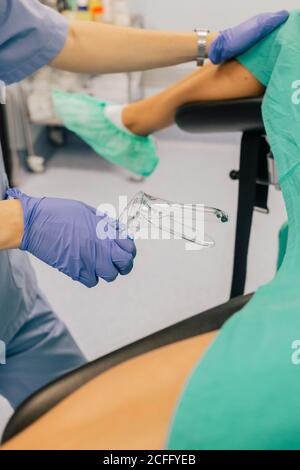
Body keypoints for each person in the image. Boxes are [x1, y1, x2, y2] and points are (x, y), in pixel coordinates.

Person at [0, 0, 288, 414]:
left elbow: (68, 37)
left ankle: (129, 119)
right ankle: (130, 120)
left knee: (87, 421)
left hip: (12, 301)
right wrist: (17, 221)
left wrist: (208, 44)